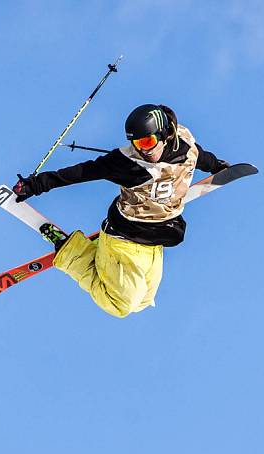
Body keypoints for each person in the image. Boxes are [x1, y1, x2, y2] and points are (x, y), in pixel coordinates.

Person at [12, 104, 229, 318]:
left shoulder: (186, 144)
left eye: (147, 141)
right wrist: (37, 184)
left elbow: (199, 156)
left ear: (165, 134)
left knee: (143, 302)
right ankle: (72, 253)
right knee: (121, 306)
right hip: (125, 239)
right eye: (136, 143)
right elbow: (82, 172)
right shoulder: (129, 163)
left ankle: (100, 257)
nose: (143, 149)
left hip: (155, 242)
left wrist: (216, 166)